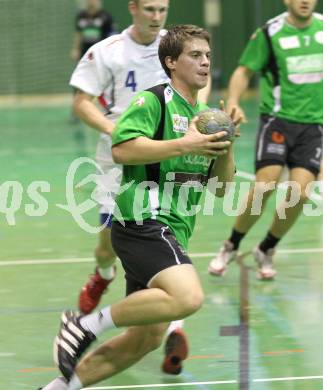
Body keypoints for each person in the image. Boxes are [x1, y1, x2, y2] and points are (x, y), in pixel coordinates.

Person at [41, 24, 237, 390]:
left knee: (144, 340)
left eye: (208, 55)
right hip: (143, 220)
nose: (205, 62)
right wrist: (184, 145)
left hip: (173, 231)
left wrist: (228, 145)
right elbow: (122, 149)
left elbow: (223, 189)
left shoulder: (206, 118)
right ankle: (83, 325)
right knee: (189, 296)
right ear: (171, 62)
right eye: (195, 55)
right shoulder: (153, 101)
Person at [69, 0, 211, 375]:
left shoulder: (179, 48)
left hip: (170, 152)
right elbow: (82, 102)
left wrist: (202, 123)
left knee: (171, 228)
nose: (157, 16)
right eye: (149, 9)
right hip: (122, 154)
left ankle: (172, 327)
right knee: (109, 242)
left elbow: (200, 88)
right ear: (133, 8)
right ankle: (103, 275)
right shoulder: (108, 51)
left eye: (162, 9)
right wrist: (120, 131)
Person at [208, 0, 323, 280]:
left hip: (314, 126)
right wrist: (233, 102)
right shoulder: (270, 33)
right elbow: (243, 71)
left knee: (301, 192)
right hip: (278, 120)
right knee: (265, 185)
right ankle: (231, 244)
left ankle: (267, 248)